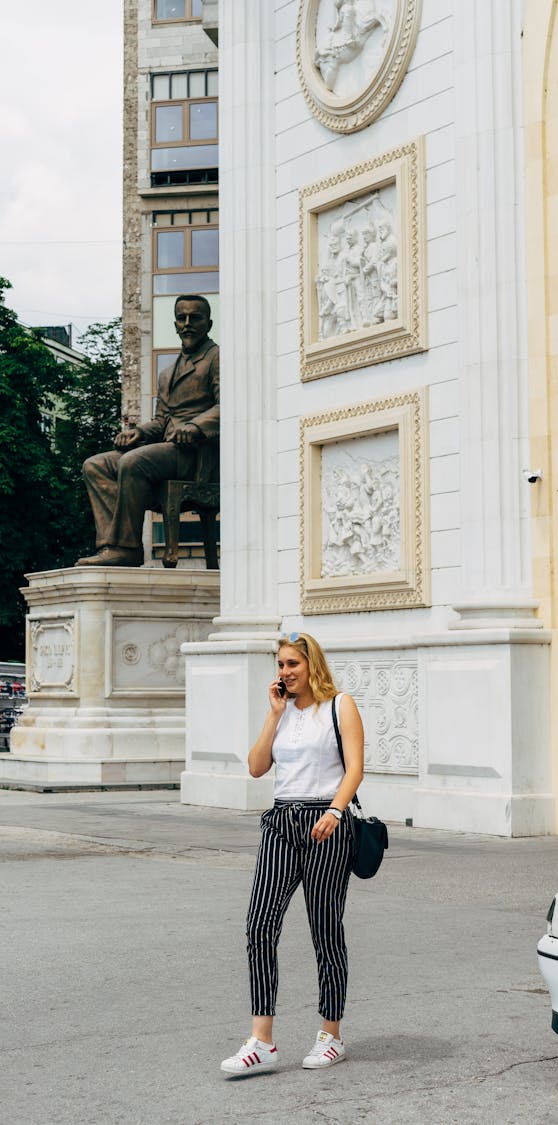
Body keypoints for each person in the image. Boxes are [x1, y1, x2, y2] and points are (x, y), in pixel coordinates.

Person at [221, 631, 364, 1077]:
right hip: (281, 822)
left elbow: (355, 767)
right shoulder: (281, 712)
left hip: (327, 823)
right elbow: (257, 766)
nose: (285, 672)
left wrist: (336, 812)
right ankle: (261, 1041)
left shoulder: (340, 705)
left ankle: (331, 1034)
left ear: (311, 665)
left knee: (325, 929)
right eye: (281, 665)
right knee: (259, 923)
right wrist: (273, 716)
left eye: (292, 665)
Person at [76, 294, 219, 567]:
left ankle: (127, 547)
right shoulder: (167, 373)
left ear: (209, 324)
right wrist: (139, 433)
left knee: (133, 461)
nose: (187, 323)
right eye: (181, 318)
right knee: (95, 465)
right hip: (166, 453)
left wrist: (195, 427)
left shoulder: (217, 358)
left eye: (195, 318)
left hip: (196, 456)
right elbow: (162, 420)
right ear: (175, 324)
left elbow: (228, 406)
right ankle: (111, 546)